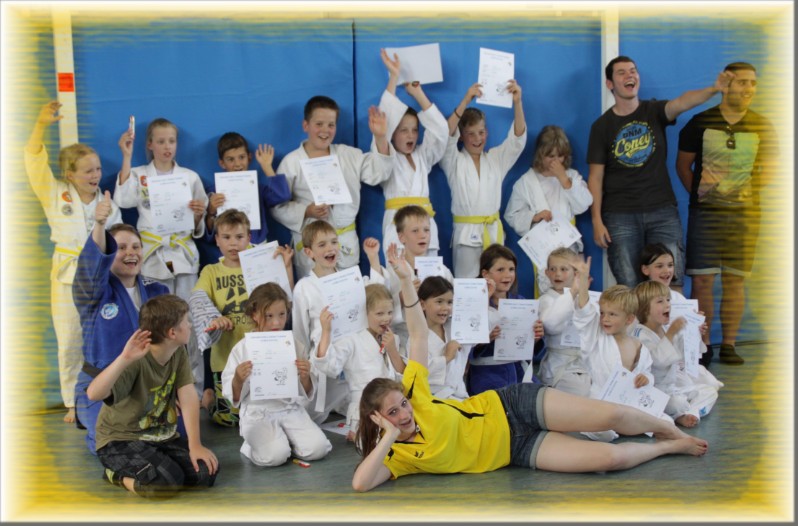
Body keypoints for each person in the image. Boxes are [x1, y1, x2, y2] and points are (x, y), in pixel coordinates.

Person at [350, 246, 709, 493]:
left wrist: (404, 280)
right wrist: (390, 436)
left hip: (511, 405)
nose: (404, 413)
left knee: (610, 415)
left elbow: (415, 332)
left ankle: (667, 429)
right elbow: (360, 483)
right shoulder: (398, 457)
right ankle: (666, 448)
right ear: (378, 420)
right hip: (515, 449)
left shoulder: (416, 393)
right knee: (608, 458)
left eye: (402, 404)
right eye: (393, 412)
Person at [587, 56, 734, 289]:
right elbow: (595, 177)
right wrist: (596, 220)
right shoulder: (601, 126)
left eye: (633, 71)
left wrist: (714, 89)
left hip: (662, 211)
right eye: (622, 73)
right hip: (620, 215)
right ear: (610, 84)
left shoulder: (653, 111)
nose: (630, 76)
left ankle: (674, 327)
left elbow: (683, 102)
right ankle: (637, 328)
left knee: (672, 283)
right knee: (630, 285)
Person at [25, 100, 123, 423]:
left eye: (97, 169)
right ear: (70, 174)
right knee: (68, 339)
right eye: (88, 171)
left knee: (104, 335)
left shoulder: (107, 202)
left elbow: (118, 238)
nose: (96, 175)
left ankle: (106, 394)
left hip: (102, 276)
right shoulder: (55, 194)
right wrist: (40, 125)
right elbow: (34, 162)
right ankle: (71, 401)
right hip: (67, 276)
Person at [676, 61, 777, 365]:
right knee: (703, 281)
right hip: (705, 216)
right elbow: (683, 167)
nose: (748, 89)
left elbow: (770, 169)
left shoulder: (763, 125)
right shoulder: (699, 122)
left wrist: (744, 195)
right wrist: (704, 195)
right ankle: (703, 344)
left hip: (745, 218)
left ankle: (729, 345)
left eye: (752, 83)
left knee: (735, 281)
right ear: (727, 85)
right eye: (742, 82)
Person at [87, 295, 219, 498]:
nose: (191, 325)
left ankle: (156, 468)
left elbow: (188, 397)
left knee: (205, 473)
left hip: (159, 436)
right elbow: (93, 393)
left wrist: (195, 445)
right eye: (187, 321)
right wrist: (124, 358)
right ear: (172, 332)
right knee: (164, 484)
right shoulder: (136, 360)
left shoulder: (177, 351)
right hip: (120, 440)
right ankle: (115, 474)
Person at [73, 194, 169, 453]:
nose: (130, 253)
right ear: (108, 253)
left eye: (136, 247)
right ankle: (90, 418)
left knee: (171, 436)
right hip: (101, 388)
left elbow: (174, 344)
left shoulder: (158, 291)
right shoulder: (95, 293)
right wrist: (100, 225)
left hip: (144, 388)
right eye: (121, 247)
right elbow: (90, 270)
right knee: (114, 443)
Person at [189, 209, 294, 427]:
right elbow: (198, 299)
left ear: (249, 238)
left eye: (239, 237)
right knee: (230, 420)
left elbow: (286, 298)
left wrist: (286, 267)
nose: (233, 244)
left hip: (260, 351)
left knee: (262, 409)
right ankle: (210, 401)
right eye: (226, 237)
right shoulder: (211, 271)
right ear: (217, 240)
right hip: (225, 354)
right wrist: (214, 319)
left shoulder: (262, 263)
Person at [270, 95, 393, 279]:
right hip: (312, 247)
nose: (325, 131)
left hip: (344, 241)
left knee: (349, 298)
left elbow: (379, 173)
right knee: (316, 299)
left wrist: (381, 137)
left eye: (331, 125)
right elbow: (277, 207)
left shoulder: (348, 155)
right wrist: (306, 211)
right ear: (306, 126)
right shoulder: (291, 162)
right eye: (319, 124)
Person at [221, 283, 332, 466]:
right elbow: (232, 395)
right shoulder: (242, 349)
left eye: (282, 315)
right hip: (259, 412)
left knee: (318, 449)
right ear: (254, 315)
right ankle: (252, 446)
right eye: (269, 316)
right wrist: (238, 379)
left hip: (290, 409)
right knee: (276, 457)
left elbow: (307, 391)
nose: (276, 322)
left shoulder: (293, 345)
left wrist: (305, 376)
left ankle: (286, 440)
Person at [291, 220, 386, 423]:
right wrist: (303, 368)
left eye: (334, 242)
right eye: (322, 244)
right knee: (312, 415)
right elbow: (299, 330)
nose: (330, 248)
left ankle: (351, 404)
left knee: (364, 401)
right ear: (309, 252)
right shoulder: (304, 287)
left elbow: (374, 297)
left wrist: (373, 258)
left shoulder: (349, 277)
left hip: (353, 353)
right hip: (324, 355)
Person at [113, 118, 208, 301]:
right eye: (161, 141)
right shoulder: (139, 174)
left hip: (183, 254)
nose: (167, 147)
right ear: (150, 144)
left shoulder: (189, 177)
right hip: (152, 254)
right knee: (155, 311)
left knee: (188, 310)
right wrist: (126, 156)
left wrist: (198, 215)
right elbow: (123, 201)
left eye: (171, 141)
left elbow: (198, 225)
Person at [441, 81, 527, 279]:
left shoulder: (496, 159)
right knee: (467, 288)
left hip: (493, 231)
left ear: (486, 133)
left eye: (481, 132)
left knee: (498, 285)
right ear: (461, 136)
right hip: (465, 236)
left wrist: (518, 102)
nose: (477, 138)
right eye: (470, 134)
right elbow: (444, 137)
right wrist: (465, 100)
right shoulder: (453, 160)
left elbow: (517, 142)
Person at [571, 259, 657, 442]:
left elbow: (648, 373)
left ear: (629, 319)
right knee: (604, 431)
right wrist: (583, 280)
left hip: (631, 403)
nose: (605, 319)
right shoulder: (597, 338)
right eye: (602, 313)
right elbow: (585, 312)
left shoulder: (639, 347)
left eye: (612, 314)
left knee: (664, 421)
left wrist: (646, 378)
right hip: (601, 401)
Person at [377, 50, 449, 259]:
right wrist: (393, 77)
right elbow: (384, 121)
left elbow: (441, 132)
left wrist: (418, 94)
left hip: (425, 222)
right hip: (397, 223)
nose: (411, 135)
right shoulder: (386, 154)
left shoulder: (422, 156)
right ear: (392, 133)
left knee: (430, 280)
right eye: (403, 130)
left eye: (415, 130)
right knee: (400, 279)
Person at [504, 124, 592, 294]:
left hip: (568, 243)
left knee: (572, 289)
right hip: (542, 246)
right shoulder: (526, 182)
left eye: (560, 156)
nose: (555, 161)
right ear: (540, 154)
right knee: (547, 288)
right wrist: (534, 217)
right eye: (550, 156)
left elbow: (584, 204)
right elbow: (511, 215)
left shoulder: (571, 176)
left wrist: (563, 179)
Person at [313, 283, 406, 441]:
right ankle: (358, 434)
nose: (386, 318)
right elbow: (329, 367)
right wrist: (326, 331)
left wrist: (392, 350)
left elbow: (404, 375)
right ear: (364, 313)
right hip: (365, 408)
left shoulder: (392, 338)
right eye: (379, 313)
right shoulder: (351, 339)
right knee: (383, 444)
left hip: (392, 405)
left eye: (390, 312)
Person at [632, 281, 723, 428]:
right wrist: (672, 331)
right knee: (677, 403)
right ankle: (679, 413)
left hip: (672, 387)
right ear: (644, 308)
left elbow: (683, 354)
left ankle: (692, 413)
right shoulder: (639, 333)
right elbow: (658, 360)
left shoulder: (663, 329)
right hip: (654, 389)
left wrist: (694, 330)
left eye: (668, 300)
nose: (667, 304)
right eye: (660, 301)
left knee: (709, 391)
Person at [467, 244, 543, 395]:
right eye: (500, 270)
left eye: (511, 269)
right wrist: (484, 339)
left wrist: (535, 337)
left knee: (538, 400)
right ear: (485, 274)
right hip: (486, 373)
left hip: (518, 371)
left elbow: (528, 349)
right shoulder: (474, 303)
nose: (507, 275)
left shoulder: (521, 302)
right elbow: (464, 347)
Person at [202, 132, 291, 262]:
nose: (237, 164)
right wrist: (211, 211)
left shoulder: (258, 189)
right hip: (229, 254)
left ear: (249, 157)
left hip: (258, 250)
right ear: (222, 163)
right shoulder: (214, 192)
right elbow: (208, 236)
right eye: (230, 159)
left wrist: (266, 166)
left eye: (241, 157)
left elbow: (282, 196)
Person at [383, 205, 454, 346]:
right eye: (415, 231)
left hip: (438, 339)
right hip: (405, 338)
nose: (422, 235)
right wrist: (403, 297)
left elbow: (454, 307)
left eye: (426, 230)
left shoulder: (442, 271)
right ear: (401, 237)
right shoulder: (391, 273)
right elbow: (382, 310)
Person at [639, 243, 710, 365]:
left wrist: (695, 329)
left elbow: (685, 342)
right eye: (659, 266)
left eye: (670, 265)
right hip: (654, 366)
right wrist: (672, 331)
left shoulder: (679, 299)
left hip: (679, 364)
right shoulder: (638, 299)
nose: (667, 270)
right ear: (645, 269)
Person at [537, 247, 591, 397]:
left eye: (563, 269)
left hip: (585, 364)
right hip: (559, 367)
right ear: (547, 273)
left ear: (576, 273)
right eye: (553, 269)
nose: (558, 274)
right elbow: (550, 325)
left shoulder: (586, 298)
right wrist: (573, 292)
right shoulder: (546, 300)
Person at [418, 276, 470, 400]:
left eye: (449, 302)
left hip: (461, 395)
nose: (445, 307)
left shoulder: (456, 328)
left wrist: (485, 297)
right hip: (435, 399)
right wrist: (446, 357)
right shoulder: (417, 337)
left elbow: (483, 326)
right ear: (422, 304)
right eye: (439, 301)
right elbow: (418, 372)